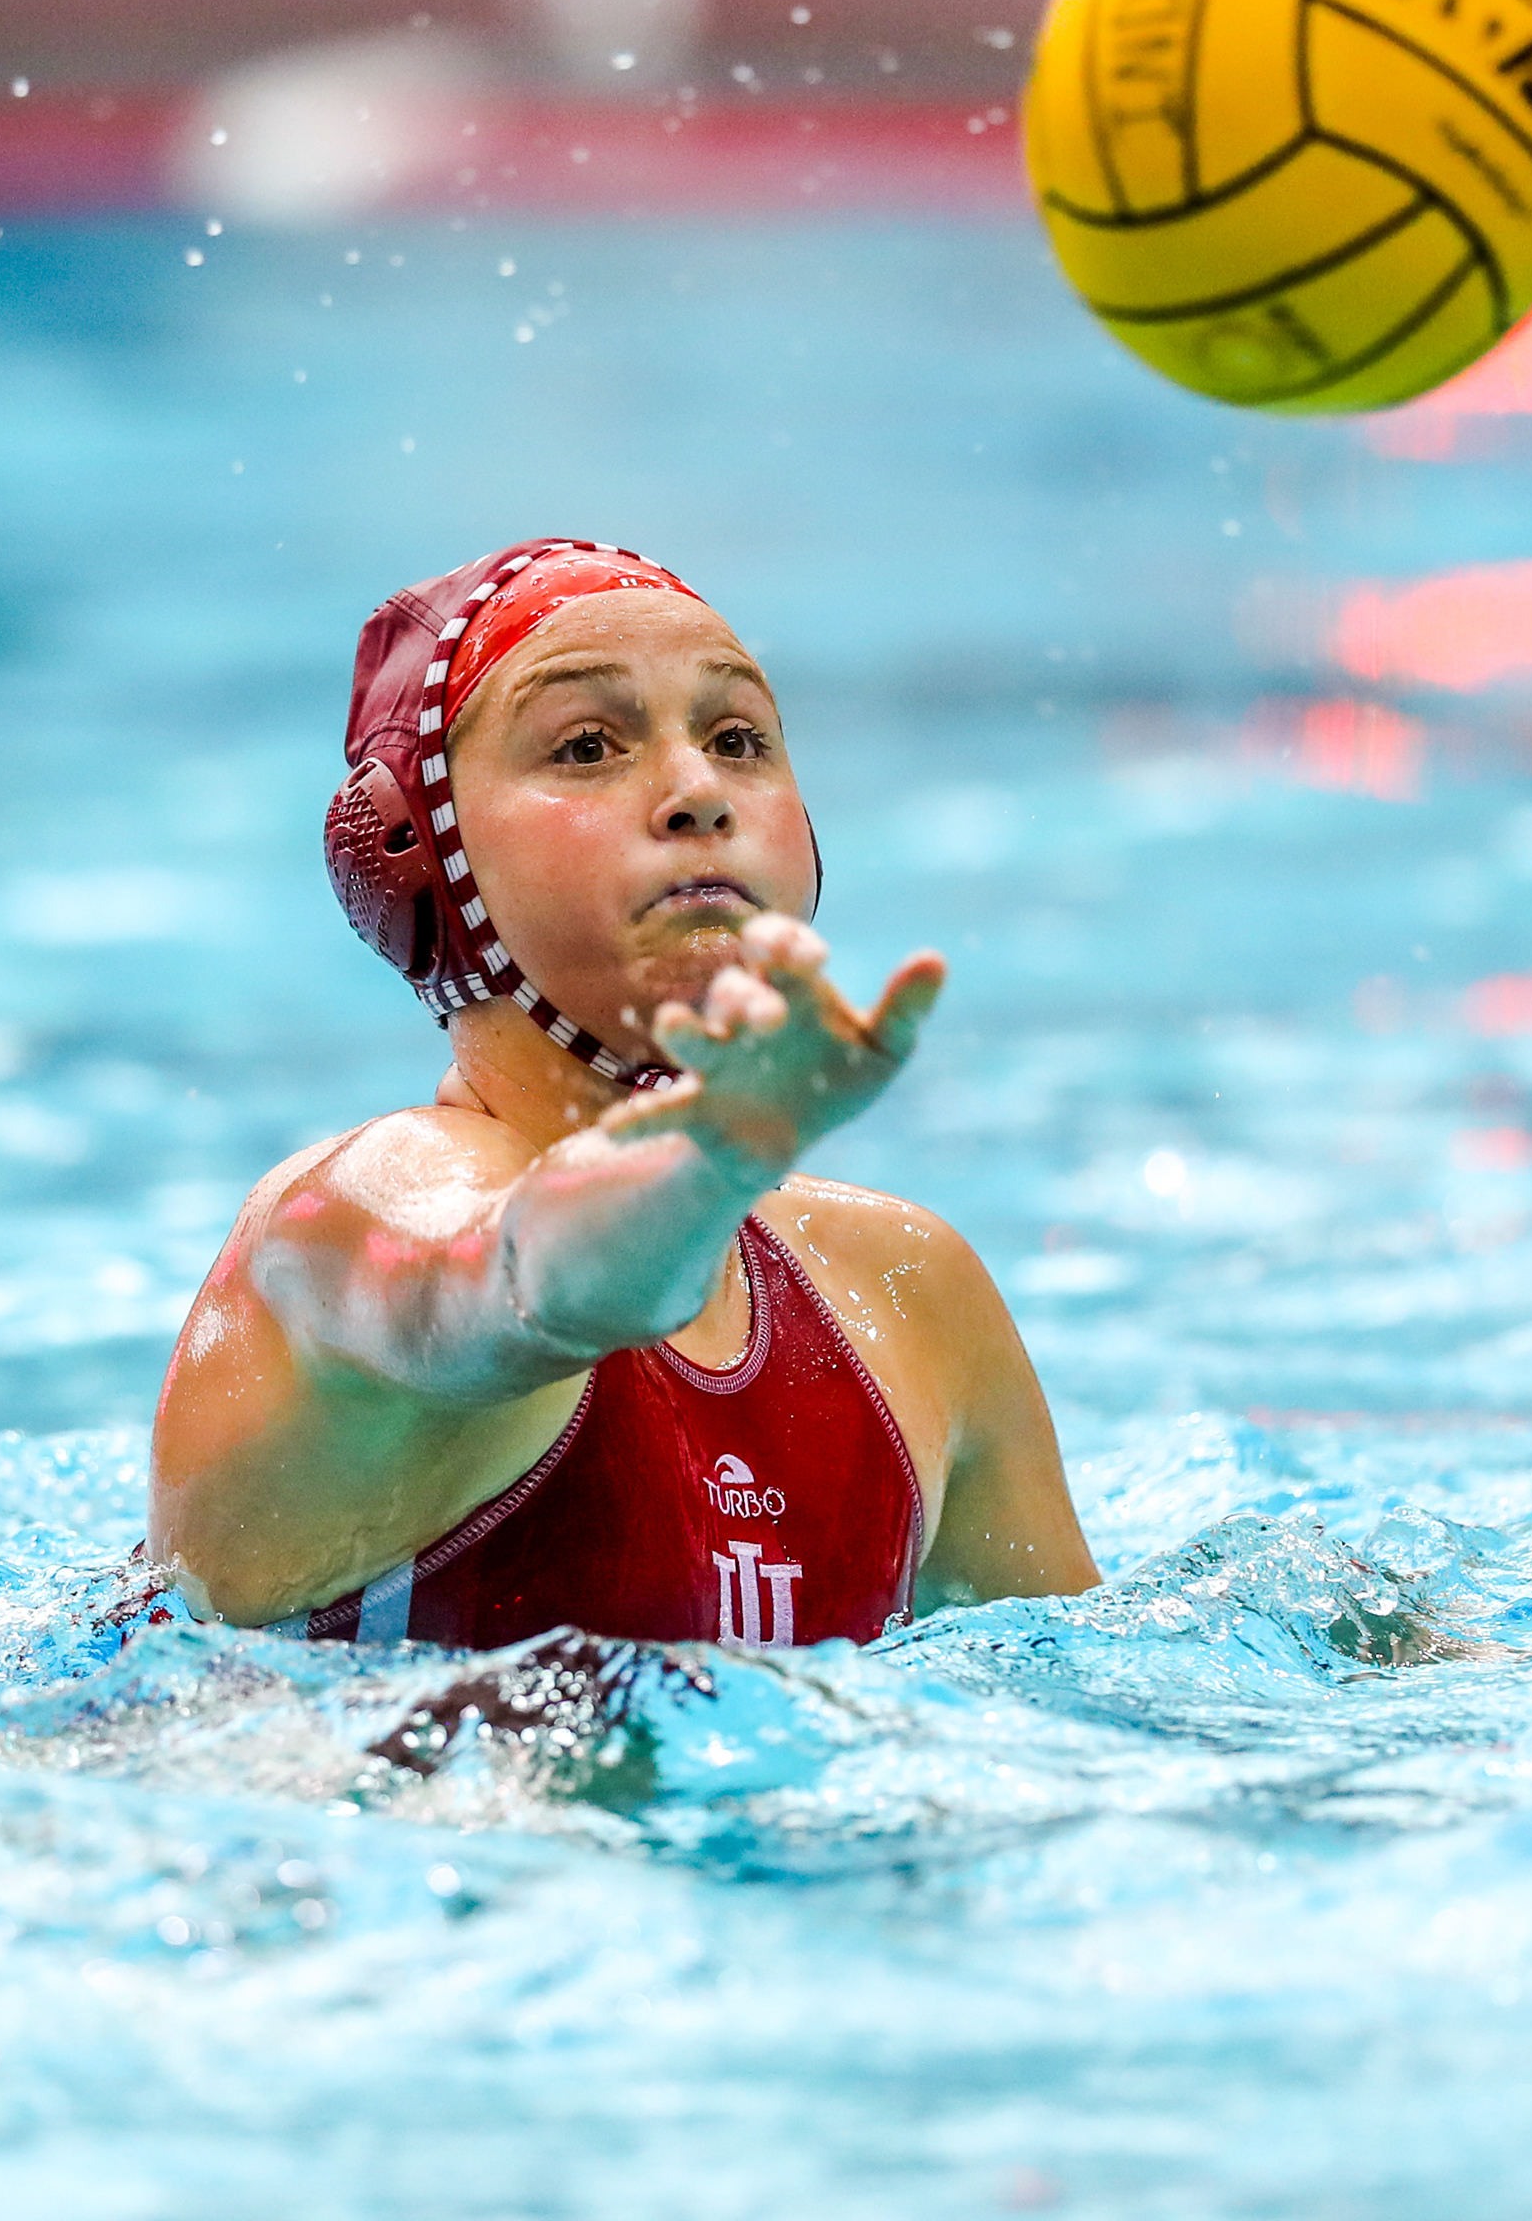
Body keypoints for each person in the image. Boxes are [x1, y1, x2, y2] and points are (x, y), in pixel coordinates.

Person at [150, 538, 1099, 1648]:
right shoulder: (352, 1218)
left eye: (738, 739)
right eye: (588, 745)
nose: (698, 792)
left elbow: (1117, 1716)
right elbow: (532, 1283)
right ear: (412, 859)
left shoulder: (907, 1299)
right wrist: (715, 1158)